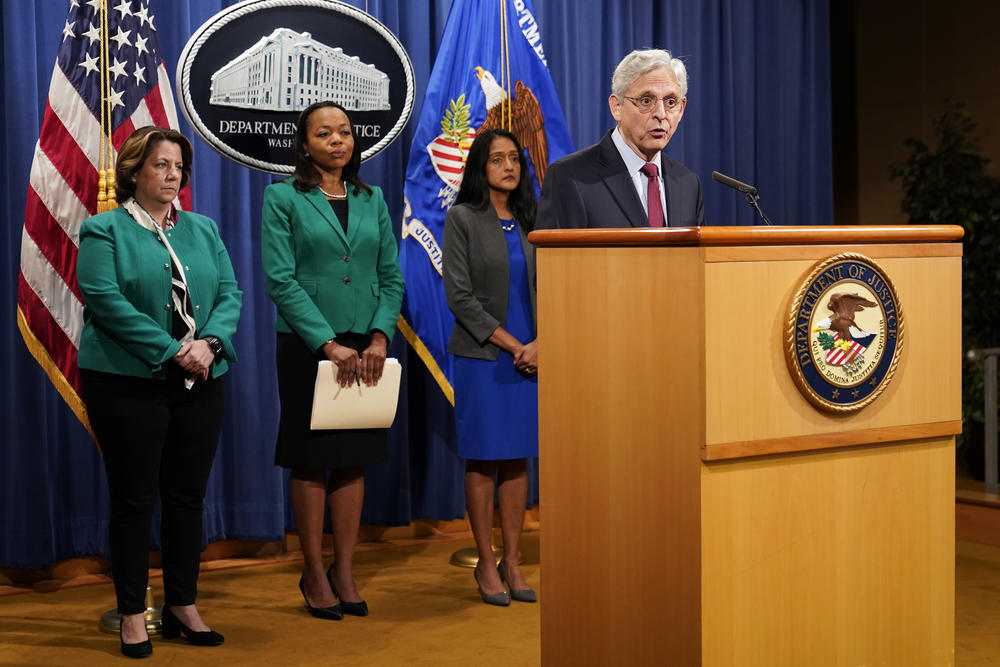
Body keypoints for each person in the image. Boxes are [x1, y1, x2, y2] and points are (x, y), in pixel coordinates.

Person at [77, 126, 242, 658]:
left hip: (201, 379)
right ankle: (131, 613)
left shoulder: (204, 229)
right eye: (160, 166)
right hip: (127, 384)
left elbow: (231, 293)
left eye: (178, 168)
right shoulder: (103, 230)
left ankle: (182, 605)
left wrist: (210, 343)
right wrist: (175, 350)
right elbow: (104, 300)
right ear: (133, 172)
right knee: (134, 499)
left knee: (186, 497)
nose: (172, 176)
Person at [261, 101, 404, 621]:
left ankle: (345, 570)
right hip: (307, 343)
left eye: (344, 132)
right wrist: (326, 342)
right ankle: (314, 571)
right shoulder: (282, 197)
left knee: (353, 455)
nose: (338, 140)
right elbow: (281, 279)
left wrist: (380, 337)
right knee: (311, 456)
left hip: (367, 345)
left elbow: (391, 276)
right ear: (305, 144)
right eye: (325, 133)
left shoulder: (373, 197)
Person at [443, 129, 539, 606]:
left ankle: (514, 560)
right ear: (480, 168)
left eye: (515, 158)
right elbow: (459, 297)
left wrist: (540, 344)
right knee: (484, 458)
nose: (509, 166)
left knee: (518, 458)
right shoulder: (462, 218)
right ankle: (485, 560)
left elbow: (560, 285)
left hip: (535, 357)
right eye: (497, 159)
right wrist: (514, 345)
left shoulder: (533, 218)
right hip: (485, 357)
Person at [537, 48, 706, 229]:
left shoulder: (688, 184)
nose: (661, 114)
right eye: (646, 101)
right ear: (617, 106)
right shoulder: (570, 177)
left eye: (671, 102)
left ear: (681, 109)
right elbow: (552, 257)